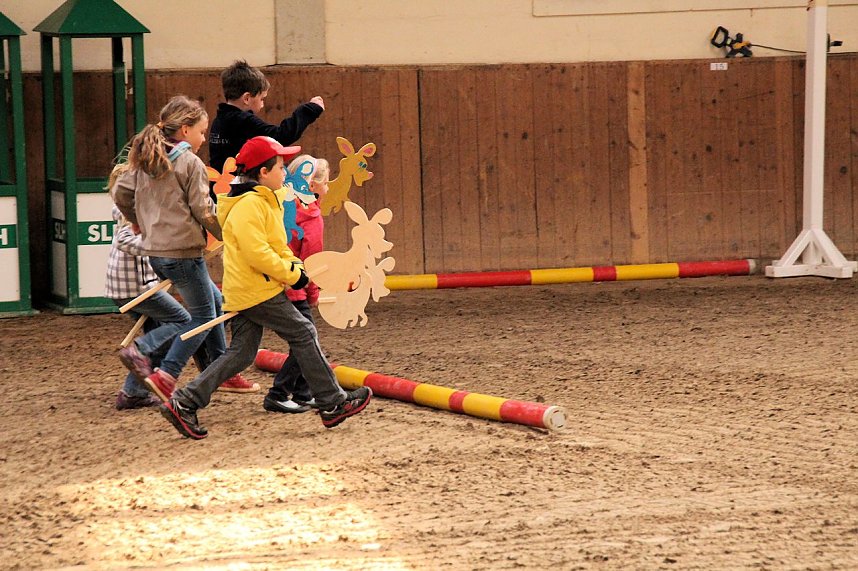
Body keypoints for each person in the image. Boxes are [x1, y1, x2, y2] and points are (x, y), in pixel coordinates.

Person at [159, 136, 372, 439]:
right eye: (281, 166)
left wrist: (295, 268)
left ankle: (185, 402)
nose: (285, 173)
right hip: (256, 290)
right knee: (304, 332)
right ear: (262, 172)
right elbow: (257, 253)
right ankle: (332, 402)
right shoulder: (250, 205)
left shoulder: (261, 200)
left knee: (242, 353)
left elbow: (276, 245)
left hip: (252, 288)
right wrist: (290, 273)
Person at [113, 95, 258, 401]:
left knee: (214, 302)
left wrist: (137, 221)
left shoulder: (148, 158)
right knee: (203, 317)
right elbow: (203, 209)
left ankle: (219, 368)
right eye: (202, 132)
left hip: (156, 253)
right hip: (182, 253)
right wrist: (229, 235)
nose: (204, 138)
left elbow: (121, 190)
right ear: (185, 130)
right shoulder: (188, 161)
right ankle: (163, 369)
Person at [107, 163, 192, 410]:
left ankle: (132, 394)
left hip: (133, 285)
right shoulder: (129, 209)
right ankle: (139, 350)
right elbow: (125, 240)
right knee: (183, 321)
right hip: (134, 288)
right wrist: (157, 245)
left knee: (163, 334)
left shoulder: (136, 207)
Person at [263, 155, 330, 414]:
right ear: (312, 186)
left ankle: (302, 392)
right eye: (325, 182)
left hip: (274, 279)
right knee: (306, 338)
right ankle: (278, 393)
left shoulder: (281, 207)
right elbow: (311, 260)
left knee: (304, 338)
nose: (328, 186)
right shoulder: (312, 217)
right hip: (295, 286)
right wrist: (312, 291)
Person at [207, 60, 325, 177]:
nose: (263, 104)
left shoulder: (219, 120)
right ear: (247, 98)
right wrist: (310, 109)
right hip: (236, 191)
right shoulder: (243, 121)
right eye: (262, 99)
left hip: (218, 188)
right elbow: (281, 136)